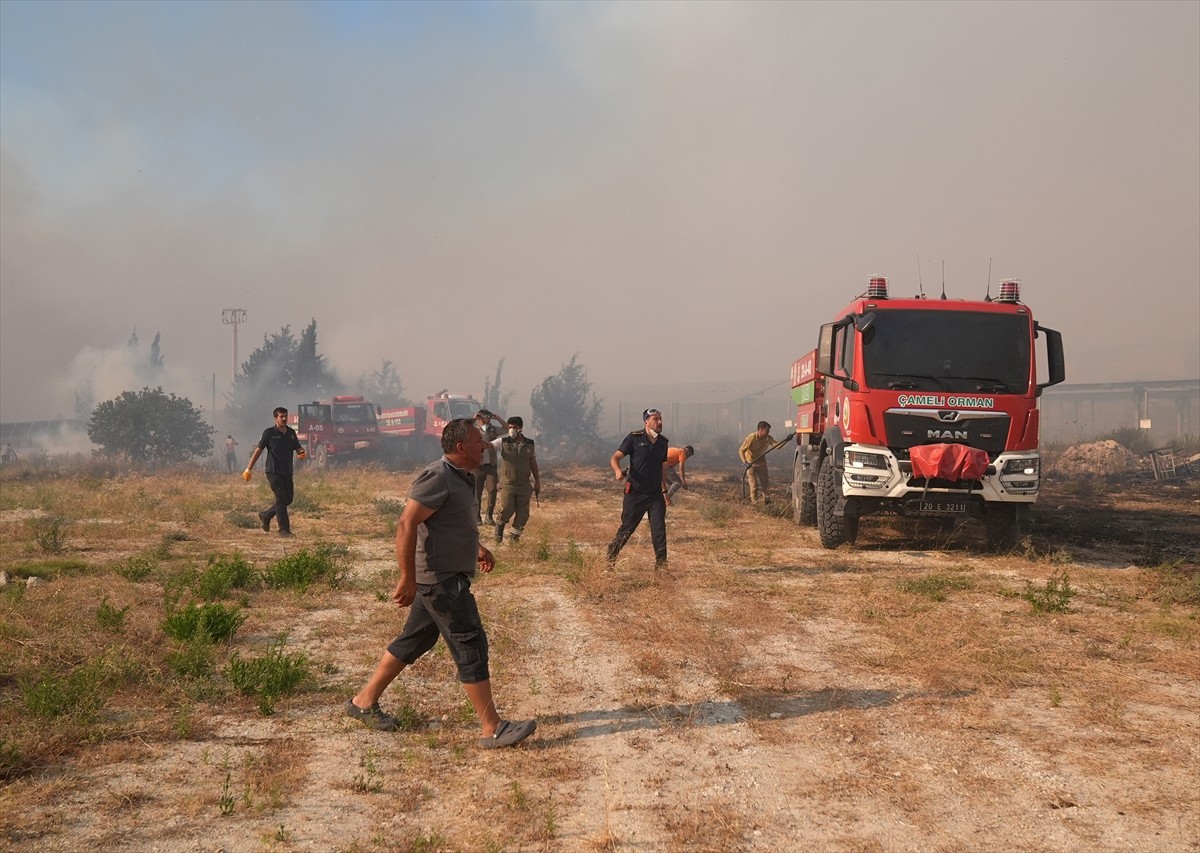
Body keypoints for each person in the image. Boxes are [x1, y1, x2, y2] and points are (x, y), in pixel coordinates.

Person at [345, 418, 537, 749]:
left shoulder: (462, 477)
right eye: (479, 440)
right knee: (470, 643)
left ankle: (363, 701)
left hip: (445, 575)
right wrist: (407, 577)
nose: (485, 445)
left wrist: (477, 547)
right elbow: (406, 523)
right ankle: (491, 727)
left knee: (414, 640)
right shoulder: (438, 475)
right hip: (440, 580)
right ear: (461, 447)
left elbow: (448, 523)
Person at [606, 408, 670, 568]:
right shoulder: (634, 438)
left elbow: (662, 468)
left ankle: (661, 567)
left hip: (655, 494)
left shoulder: (663, 442)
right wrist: (617, 471)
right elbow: (615, 457)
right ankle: (611, 557)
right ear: (646, 422)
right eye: (656, 419)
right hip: (636, 492)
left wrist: (664, 491)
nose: (660, 422)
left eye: (660, 419)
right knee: (627, 527)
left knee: (659, 530)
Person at [244, 407, 306, 537]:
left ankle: (266, 515)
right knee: (280, 497)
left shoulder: (291, 433)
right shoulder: (269, 433)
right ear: (275, 418)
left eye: (285, 416)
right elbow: (258, 451)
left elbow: (297, 447)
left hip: (287, 471)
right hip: (273, 471)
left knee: (288, 499)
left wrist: (301, 452)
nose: (284, 419)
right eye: (281, 416)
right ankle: (284, 530)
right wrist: (248, 469)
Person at [493, 416, 539, 544]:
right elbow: (487, 445)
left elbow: (533, 461)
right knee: (507, 509)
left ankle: (514, 537)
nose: (512, 430)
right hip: (508, 483)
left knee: (523, 514)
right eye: (510, 427)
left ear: (520, 429)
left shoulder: (530, 444)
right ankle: (499, 527)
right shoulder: (502, 442)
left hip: (524, 484)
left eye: (515, 427)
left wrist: (537, 481)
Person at [470, 409, 503, 525]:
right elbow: (463, 430)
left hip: (491, 465)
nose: (487, 418)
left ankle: (489, 516)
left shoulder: (493, 429)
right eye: (485, 416)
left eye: (488, 416)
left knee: (492, 489)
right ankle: (477, 516)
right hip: (477, 466)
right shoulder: (474, 429)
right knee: (476, 492)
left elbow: (507, 429)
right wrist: (474, 419)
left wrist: (498, 418)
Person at [739, 421, 778, 505]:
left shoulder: (768, 438)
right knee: (754, 486)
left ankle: (767, 503)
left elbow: (777, 446)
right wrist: (745, 463)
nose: (768, 432)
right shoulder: (751, 438)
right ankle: (754, 503)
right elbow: (741, 450)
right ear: (761, 429)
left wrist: (787, 439)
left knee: (765, 485)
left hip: (761, 462)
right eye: (767, 430)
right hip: (750, 464)